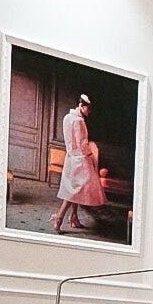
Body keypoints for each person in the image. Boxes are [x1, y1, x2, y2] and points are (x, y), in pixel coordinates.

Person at [52, 94, 105, 234]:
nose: (89, 112)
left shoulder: (67, 118)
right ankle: (59, 217)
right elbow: (82, 143)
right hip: (80, 159)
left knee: (76, 189)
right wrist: (90, 156)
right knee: (75, 191)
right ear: (81, 106)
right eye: (88, 109)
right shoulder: (79, 121)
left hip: (71, 158)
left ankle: (74, 217)